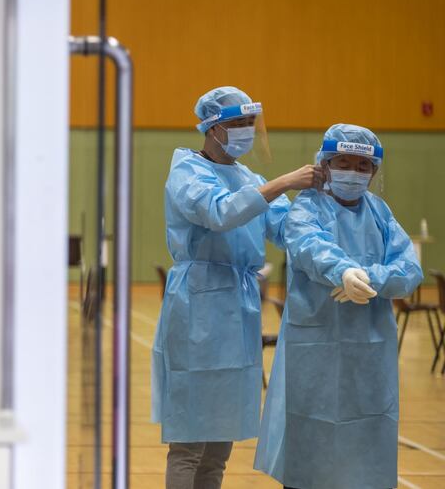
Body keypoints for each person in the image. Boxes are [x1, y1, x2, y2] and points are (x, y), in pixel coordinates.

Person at [151, 86, 324, 489]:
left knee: (218, 447)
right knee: (190, 442)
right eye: (237, 123)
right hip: (197, 306)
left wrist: (326, 208)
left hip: (239, 309)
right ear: (212, 128)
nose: (246, 130)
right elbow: (218, 212)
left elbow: (285, 228)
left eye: (251, 122)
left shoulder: (249, 178)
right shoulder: (187, 171)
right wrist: (283, 182)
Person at [254, 124, 423, 489]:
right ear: (325, 165)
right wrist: (342, 271)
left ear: (374, 172)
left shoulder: (379, 212)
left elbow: (409, 268)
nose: (354, 172)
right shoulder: (307, 208)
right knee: (309, 447)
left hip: (369, 350)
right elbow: (309, 245)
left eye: (363, 166)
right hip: (314, 348)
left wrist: (370, 280)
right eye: (344, 163)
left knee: (365, 444)